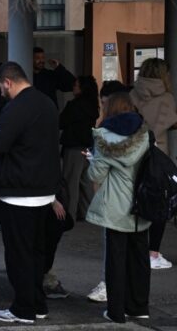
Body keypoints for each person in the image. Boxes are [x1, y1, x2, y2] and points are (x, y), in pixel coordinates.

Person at [0, 62, 60, 324]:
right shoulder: (47, 103)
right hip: (43, 191)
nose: (1, 91)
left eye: (1, 86)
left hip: (17, 192)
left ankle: (22, 309)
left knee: (18, 255)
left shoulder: (15, 108)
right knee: (36, 253)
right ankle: (37, 304)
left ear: (8, 82)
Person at [85, 92, 151, 323]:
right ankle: (139, 306)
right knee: (140, 257)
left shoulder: (103, 136)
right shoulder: (144, 133)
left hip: (115, 204)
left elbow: (97, 173)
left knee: (116, 259)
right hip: (142, 203)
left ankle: (116, 311)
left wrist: (93, 160)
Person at [87, 79, 132, 304]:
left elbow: (98, 172)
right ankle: (133, 296)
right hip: (137, 195)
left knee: (114, 247)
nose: (103, 107)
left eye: (105, 103)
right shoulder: (141, 127)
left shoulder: (108, 130)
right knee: (134, 247)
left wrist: (94, 162)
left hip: (114, 195)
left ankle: (111, 288)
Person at [130, 58, 177, 270]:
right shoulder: (166, 97)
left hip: (135, 152)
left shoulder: (132, 93)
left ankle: (135, 249)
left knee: (136, 198)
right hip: (158, 153)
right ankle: (153, 253)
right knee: (159, 200)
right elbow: (169, 122)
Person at [59, 75, 99, 221]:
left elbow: (61, 122)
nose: (73, 87)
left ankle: (70, 215)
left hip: (73, 147)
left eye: (76, 85)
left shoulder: (74, 105)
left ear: (82, 88)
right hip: (87, 147)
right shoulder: (93, 106)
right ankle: (88, 213)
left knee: (70, 182)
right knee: (86, 182)